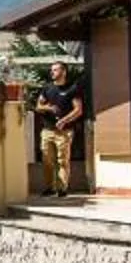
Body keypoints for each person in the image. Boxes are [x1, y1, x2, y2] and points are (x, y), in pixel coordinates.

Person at [34, 60, 85, 195]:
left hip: (64, 132)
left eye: (55, 70)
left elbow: (78, 110)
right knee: (47, 160)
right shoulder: (47, 88)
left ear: (64, 72)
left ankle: (62, 188)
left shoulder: (72, 89)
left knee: (62, 160)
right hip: (47, 131)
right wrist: (49, 108)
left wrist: (64, 120)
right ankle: (50, 188)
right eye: (52, 70)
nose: (52, 72)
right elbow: (38, 106)